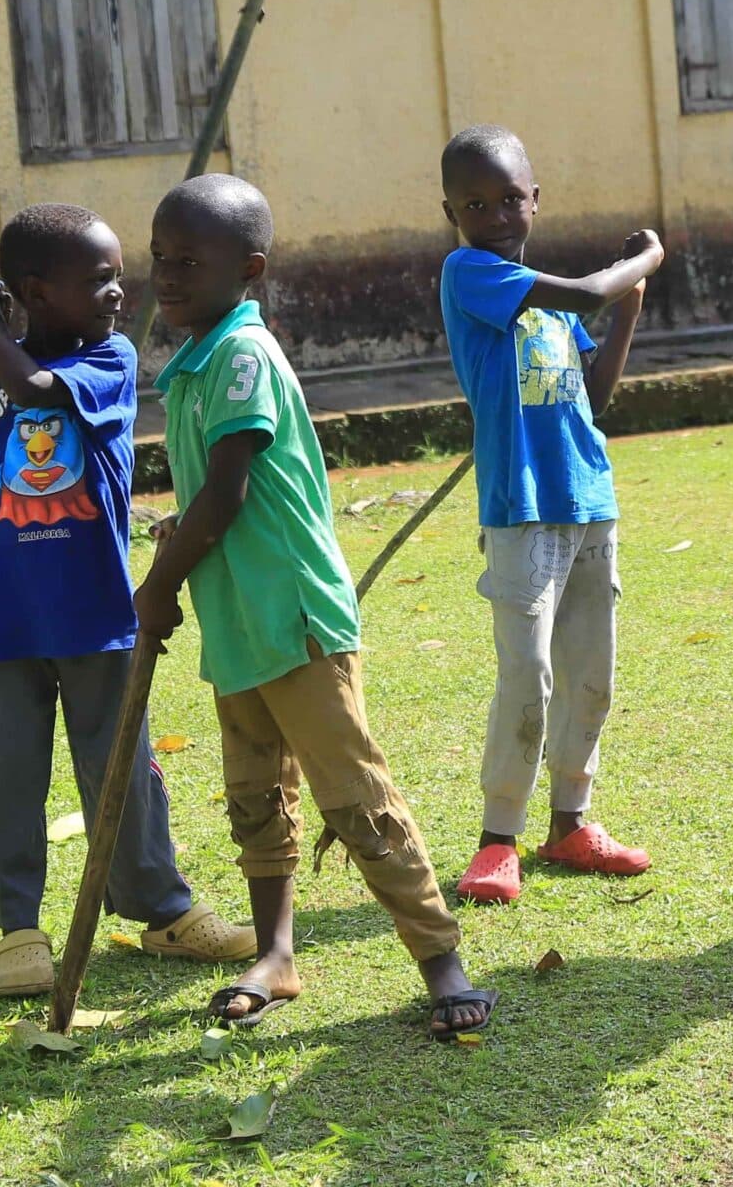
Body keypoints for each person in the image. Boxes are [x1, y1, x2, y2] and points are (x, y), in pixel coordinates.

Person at [0, 203, 255, 994]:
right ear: (36, 290)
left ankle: (161, 908)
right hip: (2, 615)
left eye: (117, 275)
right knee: (11, 773)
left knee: (121, 766)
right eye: (98, 279)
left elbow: (36, 390)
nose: (117, 292)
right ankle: (19, 931)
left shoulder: (107, 362)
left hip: (93, 609)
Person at [130, 173, 495, 1040]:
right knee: (256, 792)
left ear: (248, 268)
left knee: (354, 793)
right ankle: (276, 953)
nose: (169, 275)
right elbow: (207, 501)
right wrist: (176, 555)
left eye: (191, 260)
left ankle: (441, 960)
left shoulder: (242, 356)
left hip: (292, 617)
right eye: (159, 258)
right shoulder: (193, 363)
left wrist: (158, 583)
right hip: (238, 623)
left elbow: (225, 495)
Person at [435, 125, 665, 904]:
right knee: (526, 674)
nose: (495, 214)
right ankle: (497, 839)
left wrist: (628, 308)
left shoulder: (550, 308)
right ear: (451, 214)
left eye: (509, 198)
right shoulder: (471, 273)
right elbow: (588, 291)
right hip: (521, 511)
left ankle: (571, 823)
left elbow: (593, 398)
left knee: (589, 675)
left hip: (588, 501)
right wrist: (639, 263)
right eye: (475, 203)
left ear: (535, 200)